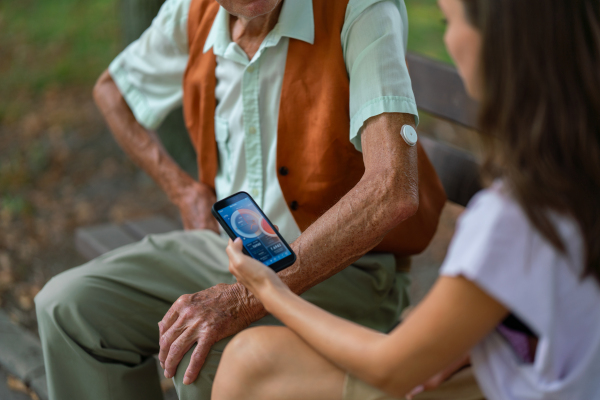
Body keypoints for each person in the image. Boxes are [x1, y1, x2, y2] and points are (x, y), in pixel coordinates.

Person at [34, 0, 450, 399]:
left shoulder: (358, 9)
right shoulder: (191, 11)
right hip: (231, 251)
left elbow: (393, 187)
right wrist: (181, 188)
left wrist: (246, 298)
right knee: (69, 310)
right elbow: (112, 92)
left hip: (344, 268)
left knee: (203, 363)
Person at [214, 0, 600, 399]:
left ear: (500, 44)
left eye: (448, 22)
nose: (449, 41)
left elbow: (389, 369)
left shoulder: (514, 218)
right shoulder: (575, 184)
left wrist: (268, 289)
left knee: (249, 359)